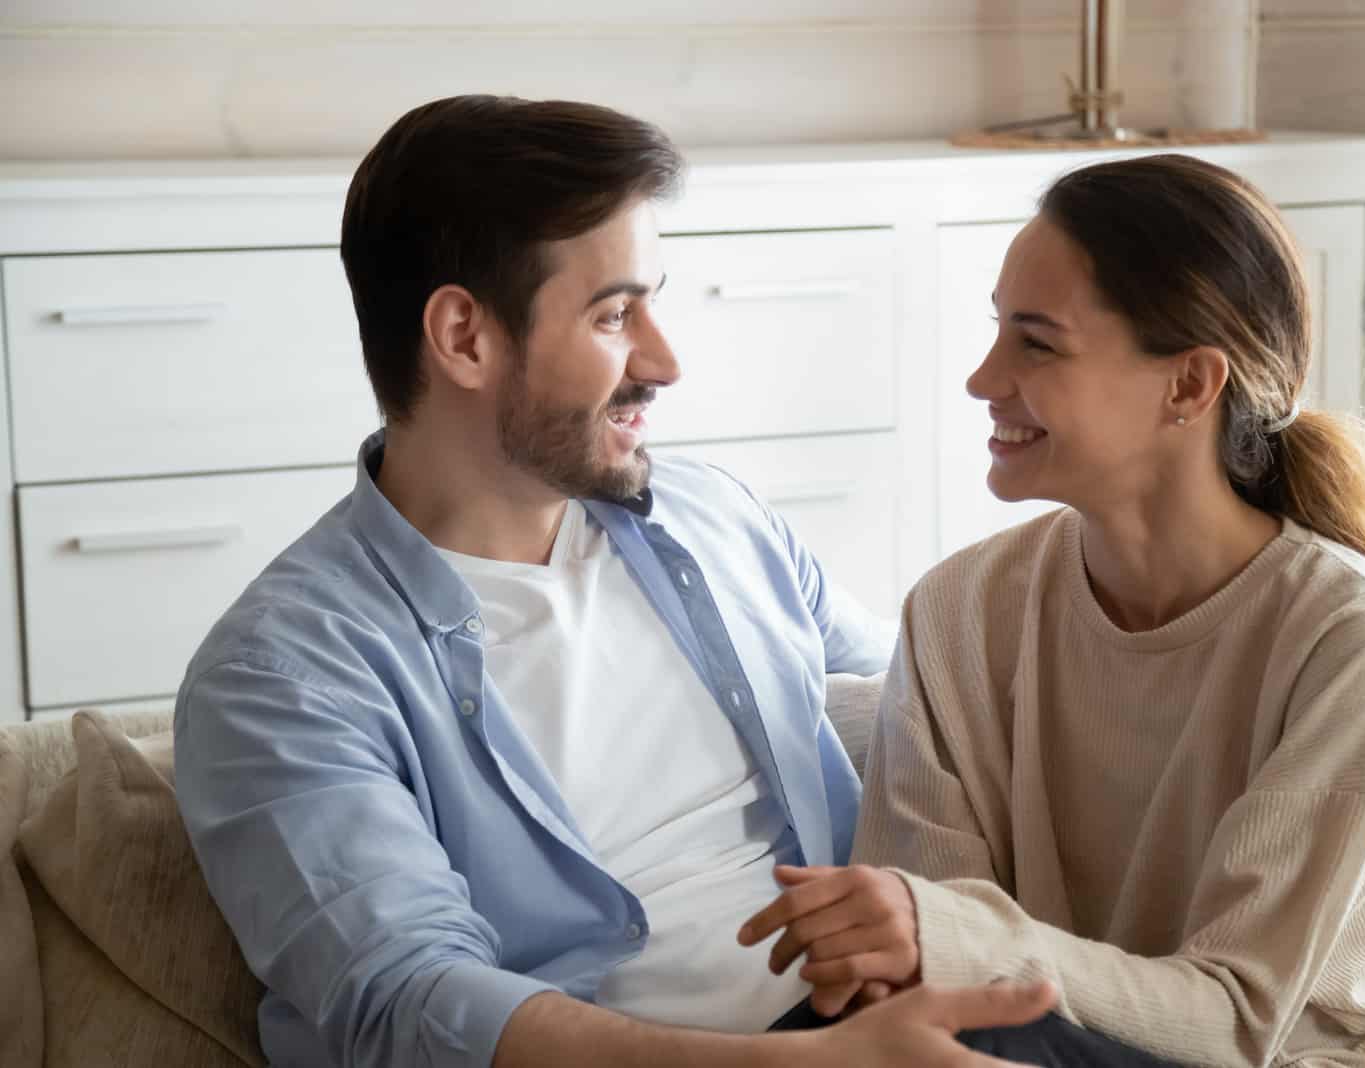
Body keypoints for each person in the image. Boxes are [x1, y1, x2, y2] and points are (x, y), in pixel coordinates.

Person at [172, 94, 1057, 1068]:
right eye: (613, 314)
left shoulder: (714, 518)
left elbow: (929, 722)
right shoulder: (282, 677)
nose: (665, 361)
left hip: (896, 1014)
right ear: (464, 337)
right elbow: (409, 1005)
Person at [744, 154, 1365, 1066]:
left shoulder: (1343, 633)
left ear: (1191, 385)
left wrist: (950, 940)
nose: (983, 378)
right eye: (998, 330)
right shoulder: (957, 613)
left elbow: (1237, 1022)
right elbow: (928, 981)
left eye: (1035, 343)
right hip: (1048, 1036)